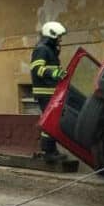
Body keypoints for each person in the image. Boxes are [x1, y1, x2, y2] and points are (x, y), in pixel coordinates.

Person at [30, 21, 68, 157]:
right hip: (44, 93)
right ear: (50, 36)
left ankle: (51, 150)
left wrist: (60, 74)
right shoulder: (42, 49)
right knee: (50, 121)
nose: (60, 40)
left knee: (53, 120)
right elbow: (36, 69)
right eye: (58, 37)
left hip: (51, 92)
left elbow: (52, 70)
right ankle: (49, 151)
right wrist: (53, 74)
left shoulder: (50, 50)